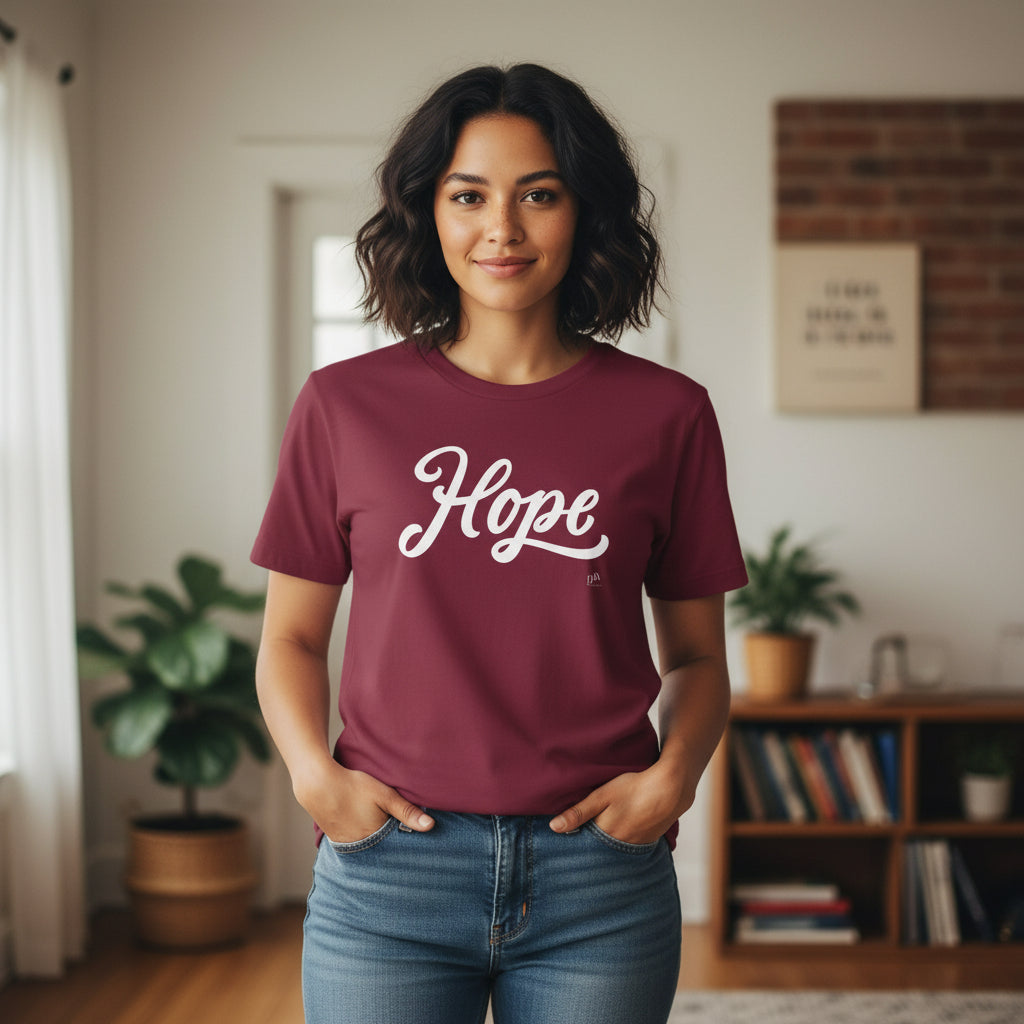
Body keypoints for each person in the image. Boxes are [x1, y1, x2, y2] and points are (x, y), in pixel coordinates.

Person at [252, 62, 748, 1024]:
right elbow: (290, 640)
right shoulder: (344, 407)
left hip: (599, 880)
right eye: (469, 195)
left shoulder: (668, 416)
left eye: (540, 195)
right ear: (428, 214)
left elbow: (695, 655)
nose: (503, 230)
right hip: (389, 874)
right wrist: (318, 783)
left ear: (584, 212)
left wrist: (672, 782)